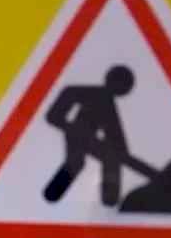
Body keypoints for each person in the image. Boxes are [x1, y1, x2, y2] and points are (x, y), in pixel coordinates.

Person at [42, 65, 136, 206]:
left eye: (125, 86)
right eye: (121, 84)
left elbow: (114, 132)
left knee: (110, 159)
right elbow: (63, 100)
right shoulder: (92, 93)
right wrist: (67, 125)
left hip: (87, 138)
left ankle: (109, 200)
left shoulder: (108, 104)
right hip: (75, 134)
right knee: (77, 162)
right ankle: (53, 193)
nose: (122, 89)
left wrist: (122, 152)